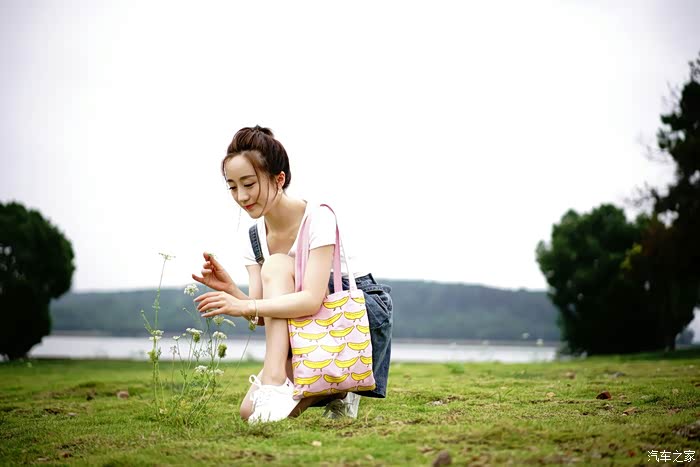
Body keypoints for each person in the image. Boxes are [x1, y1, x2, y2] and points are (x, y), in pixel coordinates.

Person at [191, 125, 393, 423]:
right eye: (232, 187)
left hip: (351, 320)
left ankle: (279, 380)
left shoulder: (319, 217)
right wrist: (232, 290)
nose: (242, 196)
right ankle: (338, 390)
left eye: (249, 183)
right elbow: (263, 316)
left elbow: (311, 300)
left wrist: (245, 305)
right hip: (304, 326)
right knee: (249, 412)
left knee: (277, 264)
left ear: (279, 179)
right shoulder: (254, 238)